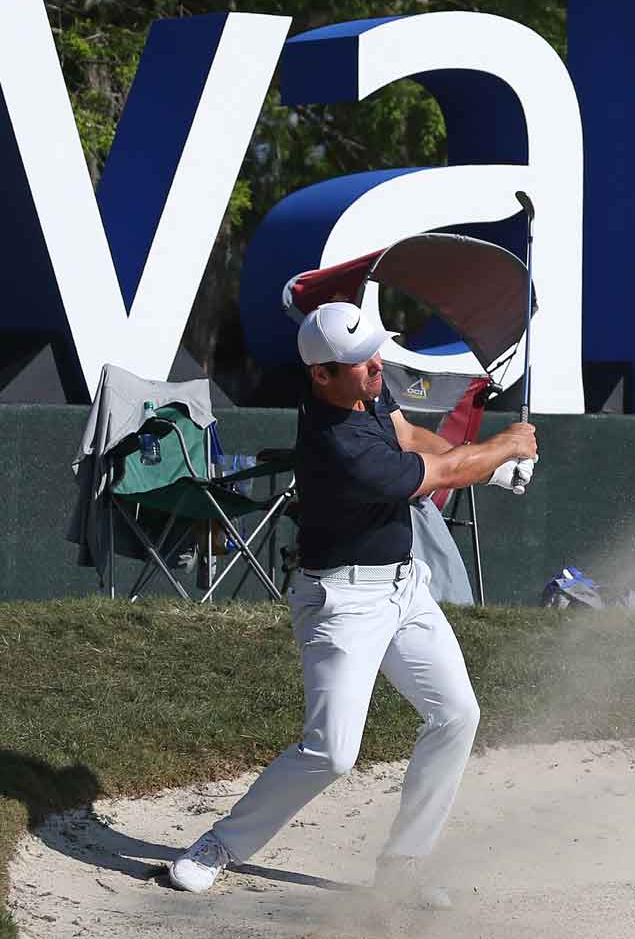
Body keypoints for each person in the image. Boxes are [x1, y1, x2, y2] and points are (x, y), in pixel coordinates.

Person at [169, 301, 538, 908]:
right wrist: (502, 446)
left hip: (403, 588)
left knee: (456, 715)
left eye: (376, 353)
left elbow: (410, 436)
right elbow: (437, 472)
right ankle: (220, 845)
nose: (377, 368)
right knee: (332, 753)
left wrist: (496, 472)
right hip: (341, 602)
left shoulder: (361, 392)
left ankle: (403, 862)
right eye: (362, 362)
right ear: (321, 375)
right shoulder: (336, 441)